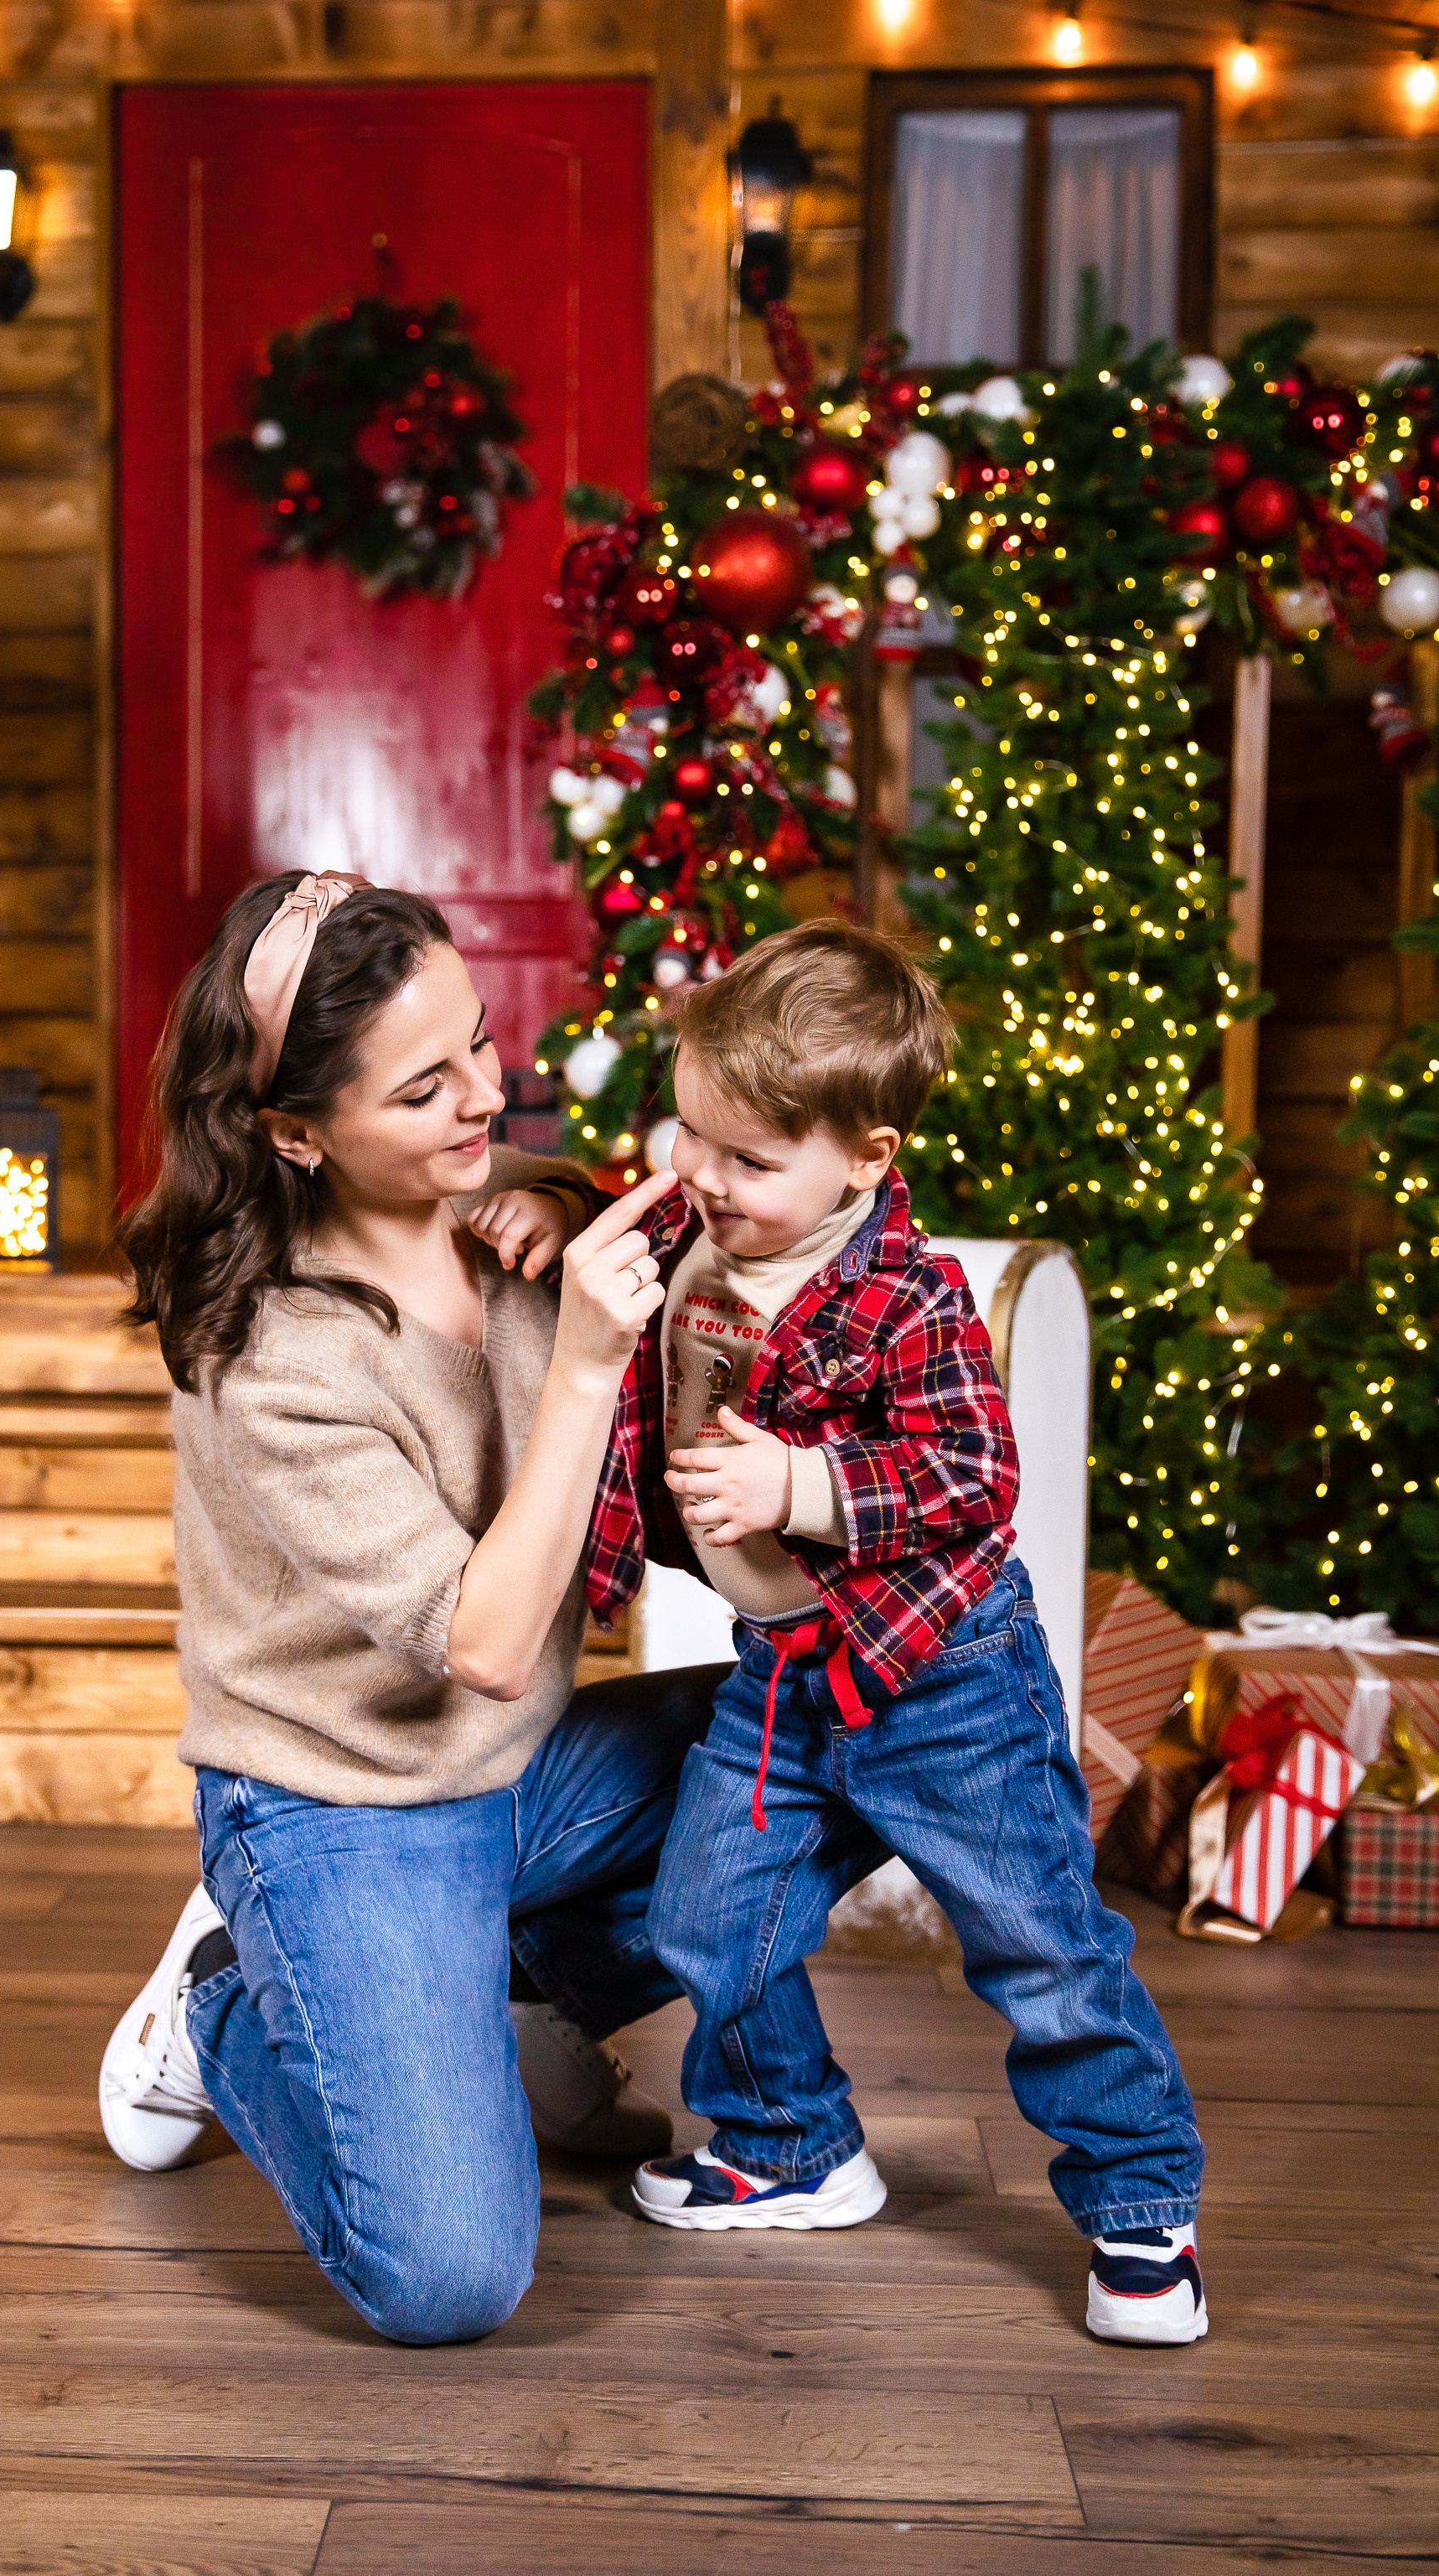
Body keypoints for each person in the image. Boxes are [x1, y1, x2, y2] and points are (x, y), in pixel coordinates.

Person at [96, 868, 723, 2347]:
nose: (480, 1102)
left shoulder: (502, 1224)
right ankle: (224, 2009)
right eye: (423, 1086)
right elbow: (491, 1645)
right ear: (295, 1130)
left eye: (483, 1047)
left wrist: (560, 1200)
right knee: (449, 2277)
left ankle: (523, 1997)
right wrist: (576, 1364)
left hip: (525, 1781)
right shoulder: (275, 1356)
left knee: (838, 1732)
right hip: (341, 1805)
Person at [584, 920, 1208, 2346]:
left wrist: (798, 1483)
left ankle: (1141, 2204)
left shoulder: (903, 1295)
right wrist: (522, 1210)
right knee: (703, 1917)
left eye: (749, 1160)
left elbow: (973, 1479)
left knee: (1039, 1947)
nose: (702, 1179)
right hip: (786, 1676)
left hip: (945, 1677)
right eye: (690, 1137)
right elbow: (610, 1238)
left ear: (863, 1160)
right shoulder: (694, 1228)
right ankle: (789, 2141)